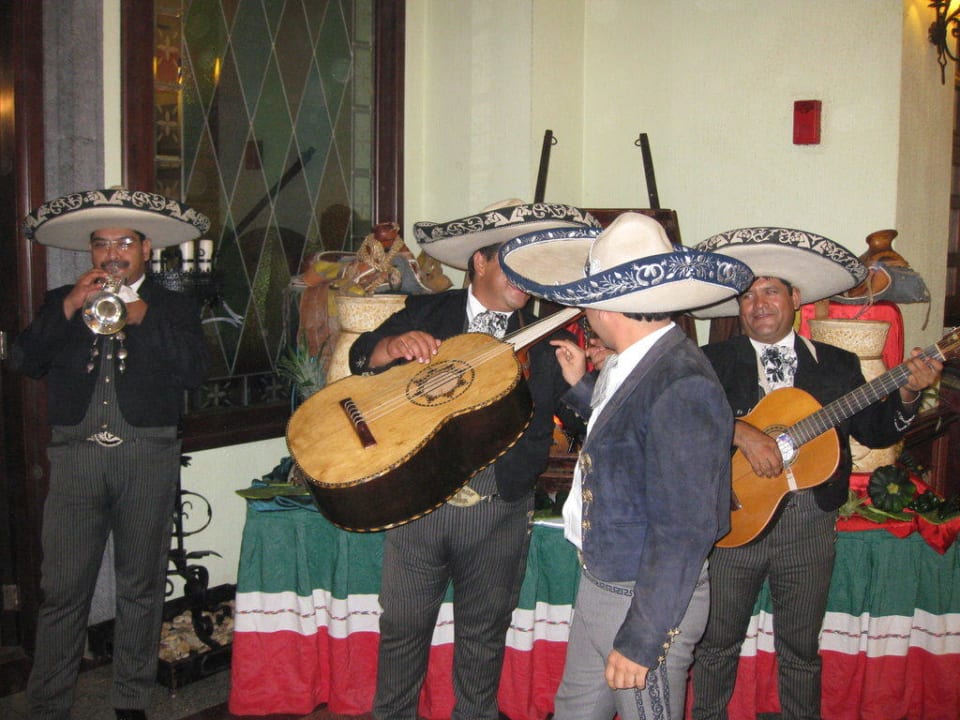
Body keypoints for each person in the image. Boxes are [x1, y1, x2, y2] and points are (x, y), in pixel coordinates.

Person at [498, 211, 755, 720]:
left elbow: (685, 528)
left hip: (646, 601)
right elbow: (634, 437)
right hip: (604, 583)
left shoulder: (683, 382)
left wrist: (642, 638)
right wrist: (583, 387)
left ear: (603, 303)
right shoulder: (632, 362)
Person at [349, 201, 601, 720]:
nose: (524, 278)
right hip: (419, 499)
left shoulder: (551, 335)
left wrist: (584, 386)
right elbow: (361, 358)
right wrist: (393, 346)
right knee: (402, 629)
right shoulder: (428, 311)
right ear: (480, 263)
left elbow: (581, 425)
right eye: (513, 262)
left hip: (498, 501)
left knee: (485, 633)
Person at [688, 227, 943, 720]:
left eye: (770, 290)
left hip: (809, 524)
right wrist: (740, 431)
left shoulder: (838, 364)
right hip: (733, 519)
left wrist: (908, 392)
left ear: (795, 298)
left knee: (801, 651)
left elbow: (874, 431)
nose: (757, 303)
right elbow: (680, 420)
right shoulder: (710, 361)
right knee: (716, 644)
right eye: (747, 295)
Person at [13, 188, 211, 720]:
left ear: (146, 248)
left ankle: (130, 700)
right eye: (101, 244)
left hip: (146, 455)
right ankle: (47, 704)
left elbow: (193, 372)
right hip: (77, 457)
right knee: (63, 590)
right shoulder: (64, 296)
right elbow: (25, 361)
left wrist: (142, 315)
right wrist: (71, 305)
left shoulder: (173, 306)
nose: (112, 254)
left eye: (124, 242)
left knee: (141, 586)